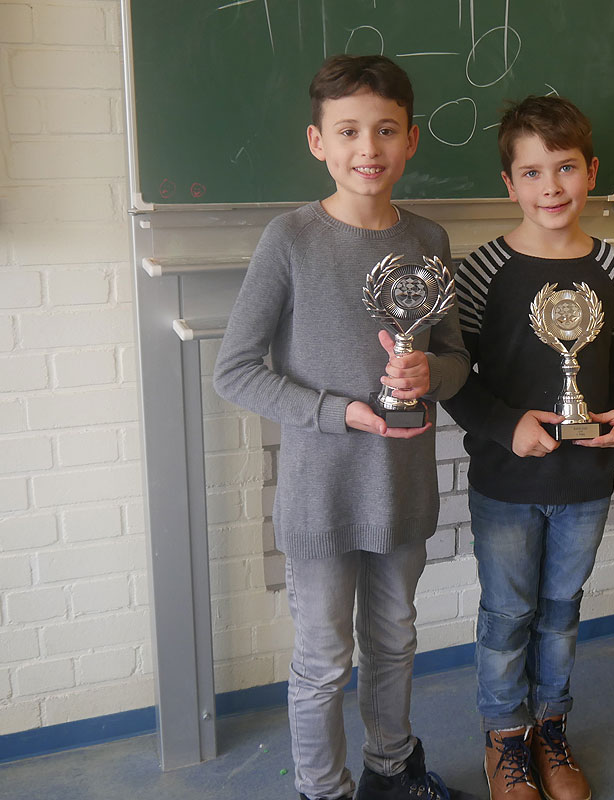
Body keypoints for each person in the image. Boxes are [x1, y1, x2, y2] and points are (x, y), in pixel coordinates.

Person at [212, 54, 469, 800]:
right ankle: (323, 790)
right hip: (321, 494)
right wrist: (336, 413)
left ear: (411, 140)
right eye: (349, 130)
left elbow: (457, 362)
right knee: (324, 660)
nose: (368, 148)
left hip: (402, 490)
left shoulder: (429, 241)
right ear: (317, 141)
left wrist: (430, 375)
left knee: (394, 641)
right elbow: (236, 370)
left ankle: (391, 770)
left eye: (386, 130)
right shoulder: (290, 239)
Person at [442, 95, 614, 800]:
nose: (551, 187)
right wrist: (506, 427)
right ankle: (505, 736)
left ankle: (551, 727)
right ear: (509, 184)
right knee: (507, 614)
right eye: (532, 173)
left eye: (565, 168)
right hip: (506, 482)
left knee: (562, 610)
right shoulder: (482, 270)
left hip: (585, 480)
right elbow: (454, 379)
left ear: (591, 171)